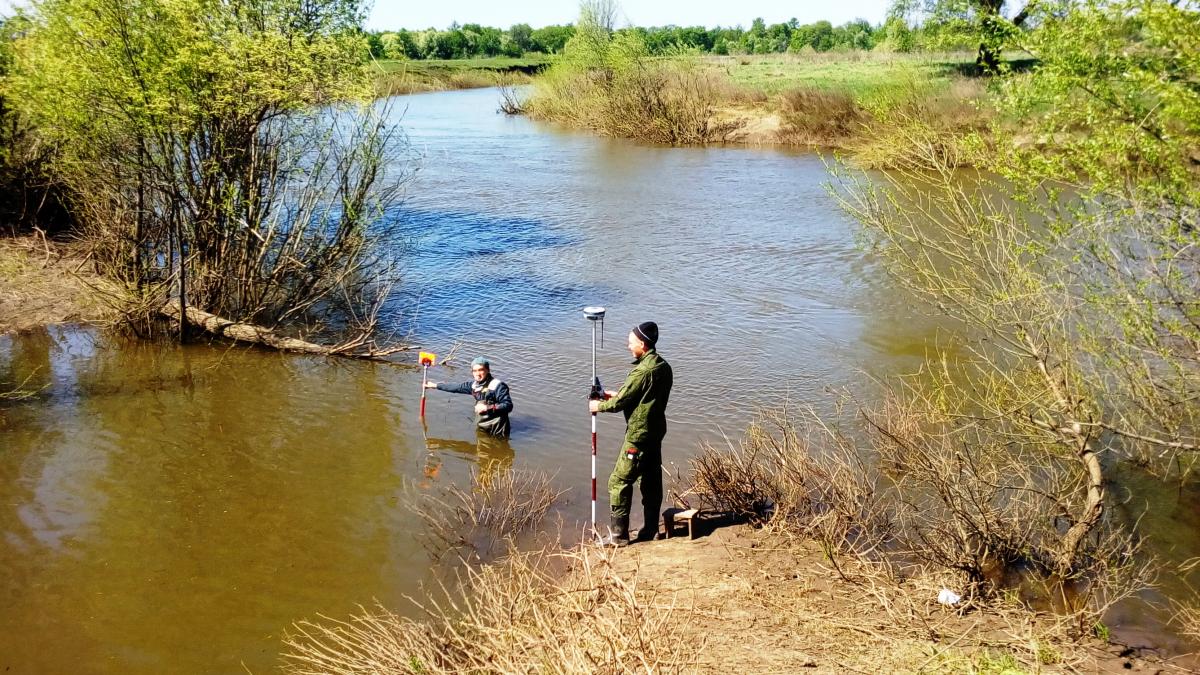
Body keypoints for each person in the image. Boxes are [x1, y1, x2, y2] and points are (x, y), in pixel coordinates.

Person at [589, 321, 673, 546]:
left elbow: (621, 403)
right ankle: (651, 529)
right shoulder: (663, 366)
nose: (628, 346)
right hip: (655, 432)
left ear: (643, 345)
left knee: (618, 482)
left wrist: (599, 406)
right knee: (651, 480)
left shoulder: (641, 372)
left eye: (631, 342)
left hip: (638, 436)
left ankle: (618, 536)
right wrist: (615, 395)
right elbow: (644, 397)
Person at [425, 356, 513, 438]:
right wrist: (435, 385)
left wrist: (487, 407)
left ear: (488, 370)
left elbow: (508, 405)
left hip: (498, 429)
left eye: (481, 370)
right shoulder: (474, 386)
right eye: (475, 371)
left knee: (495, 450)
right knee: (482, 449)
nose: (477, 374)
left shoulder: (498, 386)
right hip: (483, 426)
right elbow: (456, 387)